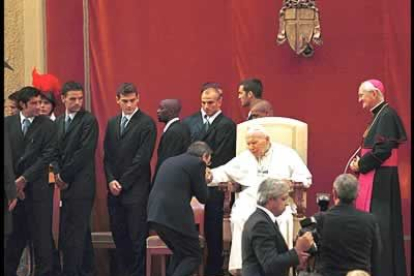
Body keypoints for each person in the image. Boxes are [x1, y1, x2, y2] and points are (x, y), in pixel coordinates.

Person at [209, 124, 312, 275]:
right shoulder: (245, 157)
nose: (251, 147)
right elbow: (225, 171)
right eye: (248, 143)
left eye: (254, 143)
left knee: (283, 219)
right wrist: (208, 175)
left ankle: (280, 265)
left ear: (267, 140)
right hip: (250, 200)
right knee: (239, 217)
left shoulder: (287, 154)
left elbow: (305, 178)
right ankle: (242, 268)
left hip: (277, 201)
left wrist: (289, 183)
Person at [349, 79, 407, 276]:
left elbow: (384, 150)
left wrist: (361, 165)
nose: (359, 100)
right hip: (375, 177)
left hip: (381, 181)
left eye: (361, 95)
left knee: (381, 228)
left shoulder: (387, 115)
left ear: (374, 94)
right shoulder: (379, 115)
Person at [103, 82, 157, 276]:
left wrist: (122, 183)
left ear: (138, 99)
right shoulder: (112, 123)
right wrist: (110, 180)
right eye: (125, 101)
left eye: (132, 101)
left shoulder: (146, 123)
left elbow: (142, 159)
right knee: (120, 237)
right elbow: (107, 156)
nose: (129, 105)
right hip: (114, 190)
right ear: (117, 100)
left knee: (136, 239)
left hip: (136, 190)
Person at [183, 82, 236, 276]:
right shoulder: (189, 122)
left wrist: (206, 171)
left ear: (220, 102)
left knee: (213, 230)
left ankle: (213, 270)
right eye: (204, 102)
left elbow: (224, 154)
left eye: (211, 102)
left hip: (213, 182)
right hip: (190, 183)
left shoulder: (227, 125)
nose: (207, 106)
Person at [4, 86, 57, 276]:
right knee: (13, 241)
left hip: (38, 191)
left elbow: (47, 155)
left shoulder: (48, 125)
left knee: (42, 242)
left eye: (41, 102)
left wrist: (24, 179)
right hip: (13, 195)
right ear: (22, 104)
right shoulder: (7, 124)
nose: (39, 107)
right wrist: (13, 184)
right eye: (34, 103)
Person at [52, 81, 98, 276]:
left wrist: (63, 175)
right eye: (73, 99)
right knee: (76, 232)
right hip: (63, 184)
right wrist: (56, 171)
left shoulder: (88, 120)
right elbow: (53, 150)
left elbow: (84, 153)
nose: (78, 102)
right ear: (63, 99)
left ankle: (72, 271)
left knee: (76, 233)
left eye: (80, 98)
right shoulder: (58, 122)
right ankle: (86, 270)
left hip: (81, 185)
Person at [148, 141, 212, 276]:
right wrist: (205, 180)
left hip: (155, 214)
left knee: (180, 254)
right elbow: (203, 197)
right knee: (194, 256)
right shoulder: (197, 164)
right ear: (205, 156)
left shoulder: (170, 160)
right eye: (209, 161)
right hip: (174, 217)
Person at [242, 178, 314, 276]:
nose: (287, 203)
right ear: (271, 199)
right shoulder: (260, 224)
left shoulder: (262, 218)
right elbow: (270, 265)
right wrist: (297, 250)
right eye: (283, 199)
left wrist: (297, 259)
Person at [313, 174, 381, 276]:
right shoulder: (370, 220)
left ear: (334, 193)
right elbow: (376, 254)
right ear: (357, 195)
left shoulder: (321, 219)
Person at [154, 98, 190, 180]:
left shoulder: (173, 132)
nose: (158, 111)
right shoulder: (182, 127)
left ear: (171, 111)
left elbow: (166, 161)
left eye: (161, 108)